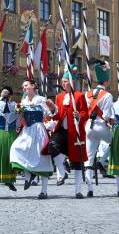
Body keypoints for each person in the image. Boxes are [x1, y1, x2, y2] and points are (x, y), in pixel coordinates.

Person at [10, 79, 54, 199]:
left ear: (33, 86)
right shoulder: (23, 101)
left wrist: (51, 108)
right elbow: (20, 117)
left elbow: (49, 114)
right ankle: (28, 176)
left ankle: (44, 191)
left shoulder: (40, 99)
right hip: (27, 129)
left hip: (38, 129)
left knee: (42, 157)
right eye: (23, 86)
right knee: (16, 147)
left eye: (26, 85)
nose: (24, 88)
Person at [49, 68, 89, 199]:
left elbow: (85, 113)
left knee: (77, 163)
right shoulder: (59, 97)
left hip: (75, 132)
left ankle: (78, 190)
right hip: (62, 130)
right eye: (62, 81)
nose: (63, 83)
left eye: (66, 81)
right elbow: (58, 114)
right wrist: (52, 109)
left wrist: (79, 116)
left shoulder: (79, 96)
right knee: (52, 146)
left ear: (71, 82)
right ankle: (62, 172)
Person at [84, 59, 114, 197]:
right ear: (106, 81)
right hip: (101, 126)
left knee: (89, 158)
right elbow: (107, 115)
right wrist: (109, 122)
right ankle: (102, 162)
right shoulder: (107, 95)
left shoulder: (87, 93)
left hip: (89, 127)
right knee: (115, 142)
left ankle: (89, 187)